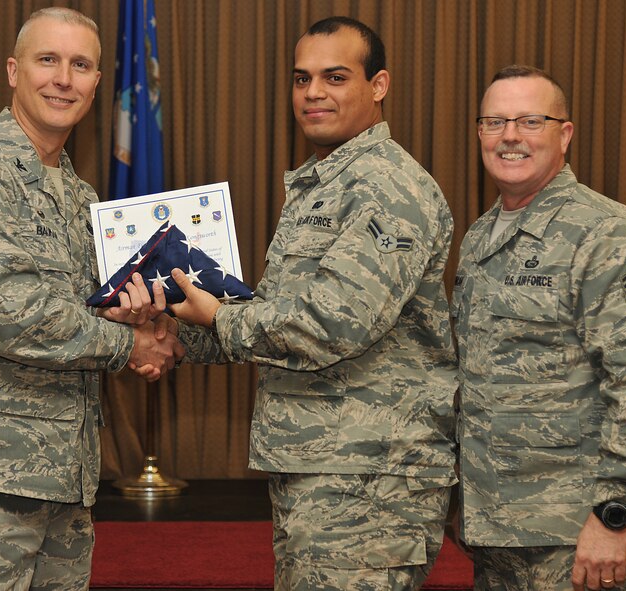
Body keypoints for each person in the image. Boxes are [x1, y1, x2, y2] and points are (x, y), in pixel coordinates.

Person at [141, 16, 458, 591]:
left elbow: (333, 321)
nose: (313, 93)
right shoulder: (325, 182)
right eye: (301, 78)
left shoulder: (389, 186)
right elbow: (278, 315)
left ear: (379, 85)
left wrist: (217, 317)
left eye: (335, 77)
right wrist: (170, 332)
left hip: (368, 477)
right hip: (320, 464)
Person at [0, 7, 181, 590]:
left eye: (80, 65)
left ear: (97, 82)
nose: (63, 78)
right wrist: (130, 345)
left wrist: (149, 320)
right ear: (12, 70)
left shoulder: (79, 197)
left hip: (63, 480)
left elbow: (91, 313)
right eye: (47, 60)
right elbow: (14, 319)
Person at [452, 64, 626, 591]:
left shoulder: (607, 234)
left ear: (564, 135)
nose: (510, 136)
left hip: (582, 538)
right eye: (494, 122)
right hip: (500, 535)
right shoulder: (479, 238)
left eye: (530, 120)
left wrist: (612, 513)